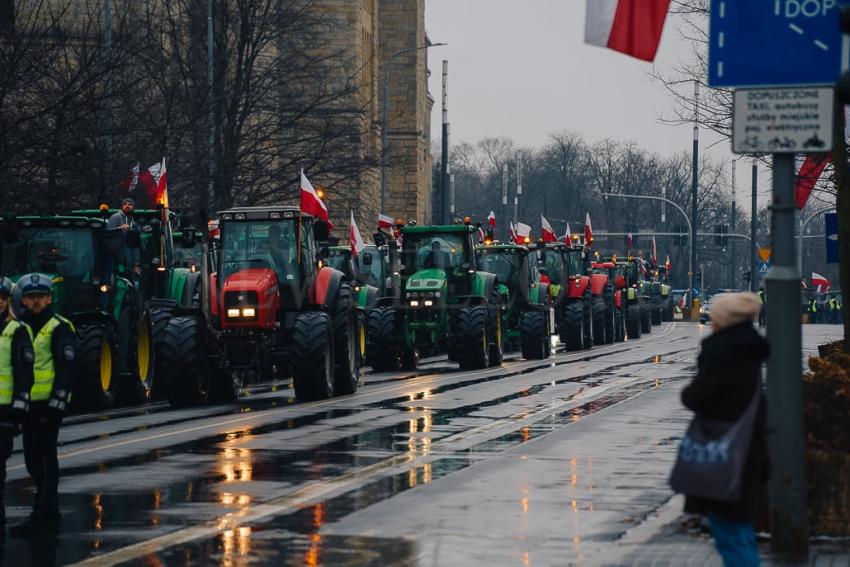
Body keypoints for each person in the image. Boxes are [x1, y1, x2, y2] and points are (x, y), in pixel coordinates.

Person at [681, 292, 769, 566]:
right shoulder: (748, 350)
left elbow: (695, 396)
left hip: (724, 453)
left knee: (729, 532)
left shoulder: (723, 353)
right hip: (747, 448)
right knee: (740, 528)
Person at [9, 274, 76, 536]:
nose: (36, 302)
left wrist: (59, 399)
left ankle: (47, 513)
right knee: (31, 459)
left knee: (45, 459)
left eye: (40, 297)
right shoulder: (19, 327)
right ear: (23, 300)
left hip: (48, 405)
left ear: (49, 298)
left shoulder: (60, 327)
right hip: (27, 404)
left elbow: (66, 367)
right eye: (31, 297)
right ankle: (43, 509)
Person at [0, 278, 34, 529]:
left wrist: (19, 407)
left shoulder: (16, 330)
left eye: (2, 298)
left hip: (4, 410)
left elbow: (23, 372)